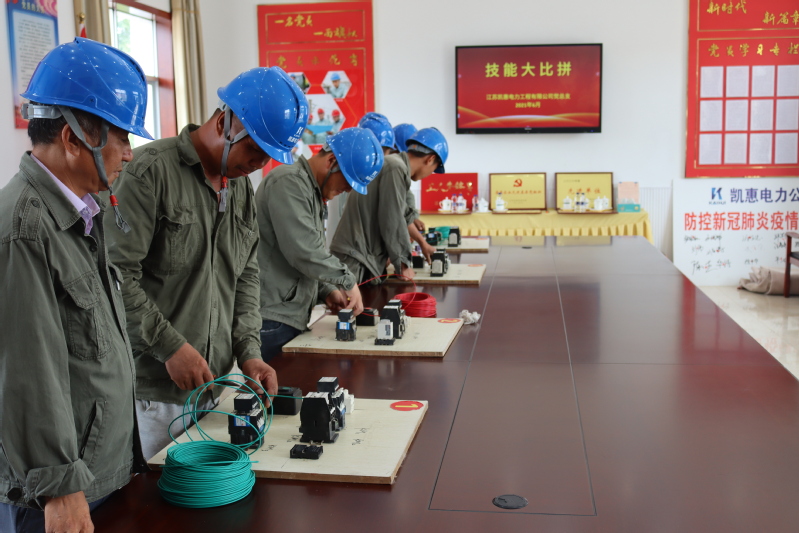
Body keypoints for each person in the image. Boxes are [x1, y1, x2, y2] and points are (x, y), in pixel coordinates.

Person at [105, 66, 309, 460]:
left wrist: (249, 351)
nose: (259, 163)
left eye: (268, 156)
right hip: (153, 393)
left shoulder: (240, 188)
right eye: (254, 149)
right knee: (161, 494)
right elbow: (115, 276)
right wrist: (170, 348)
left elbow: (245, 275)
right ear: (223, 123)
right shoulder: (149, 173)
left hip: (213, 388)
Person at [0, 37, 152, 533]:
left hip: (97, 475)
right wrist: (60, 487)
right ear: (71, 138)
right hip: (57, 496)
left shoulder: (82, 209)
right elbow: (26, 370)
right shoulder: (26, 228)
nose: (129, 153)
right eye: (120, 137)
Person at [256, 127, 383, 361]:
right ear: (332, 161)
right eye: (347, 182)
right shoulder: (288, 182)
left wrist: (326, 290)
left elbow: (306, 252)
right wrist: (346, 280)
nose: (347, 190)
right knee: (277, 385)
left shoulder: (309, 190)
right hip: (271, 317)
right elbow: (304, 252)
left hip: (289, 314)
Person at [330, 127, 449, 283]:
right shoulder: (395, 168)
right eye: (433, 170)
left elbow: (401, 213)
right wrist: (403, 264)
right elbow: (392, 219)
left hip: (359, 255)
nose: (429, 174)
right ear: (430, 159)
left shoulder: (395, 165)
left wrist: (423, 244)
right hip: (355, 258)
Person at [393, 122, 433, 260]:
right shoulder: (393, 168)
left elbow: (406, 195)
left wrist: (412, 217)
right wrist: (402, 262)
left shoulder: (400, 171)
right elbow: (393, 211)